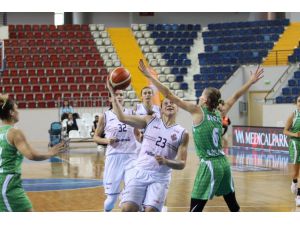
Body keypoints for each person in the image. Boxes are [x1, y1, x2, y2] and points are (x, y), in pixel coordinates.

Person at [138, 59, 264, 212]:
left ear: (204, 100)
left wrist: (151, 78)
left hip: (209, 164)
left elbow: (169, 95)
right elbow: (236, 96)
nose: (200, 96)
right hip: (223, 164)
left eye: (202, 94)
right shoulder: (219, 112)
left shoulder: (198, 111)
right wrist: (250, 82)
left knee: (195, 208)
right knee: (232, 204)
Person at [106, 80, 189, 212]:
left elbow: (182, 163)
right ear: (160, 109)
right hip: (140, 171)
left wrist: (166, 161)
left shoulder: (183, 133)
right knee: (127, 209)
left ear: (177, 108)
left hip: (160, 177)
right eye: (165, 103)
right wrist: (112, 92)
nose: (169, 105)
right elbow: (122, 117)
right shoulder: (149, 120)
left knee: (151, 211)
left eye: (172, 103)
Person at [0, 94, 65, 212]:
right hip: (8, 183)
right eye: (16, 109)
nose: (18, 111)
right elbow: (31, 155)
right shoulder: (14, 132)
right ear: (11, 113)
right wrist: (50, 153)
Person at [93, 90, 138, 212]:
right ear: (110, 99)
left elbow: (137, 134)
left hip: (131, 157)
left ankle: (126, 203)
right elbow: (96, 137)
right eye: (116, 95)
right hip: (114, 157)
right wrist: (107, 141)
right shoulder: (105, 116)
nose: (119, 97)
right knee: (111, 200)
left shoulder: (131, 113)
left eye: (121, 95)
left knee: (132, 192)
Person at [283, 95, 300, 207]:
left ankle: (299, 196)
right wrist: (295, 134)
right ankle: (294, 182)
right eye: (299, 101)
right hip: (295, 144)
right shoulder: (293, 116)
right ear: (296, 103)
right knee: (296, 173)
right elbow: (285, 131)